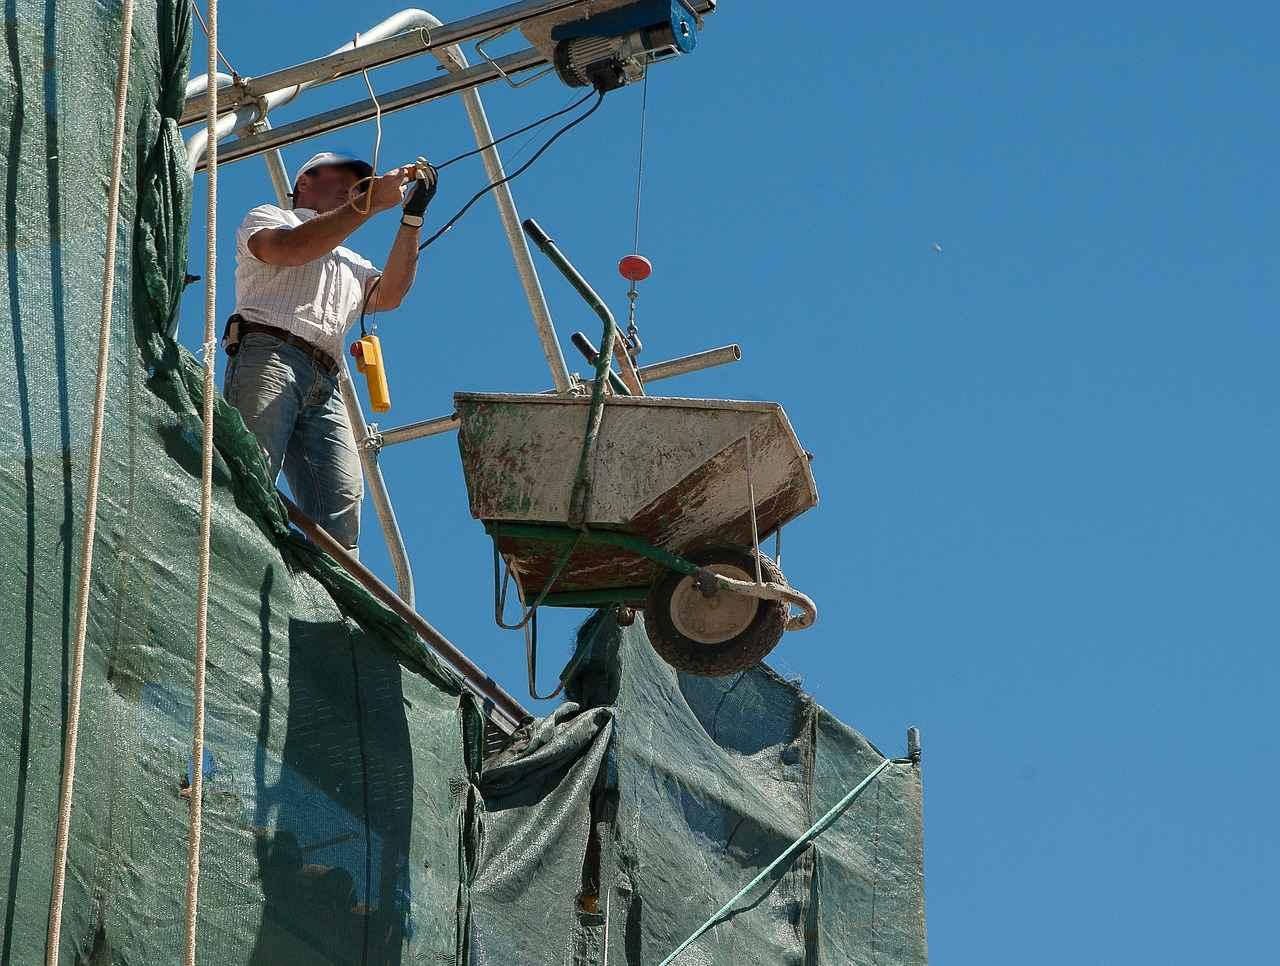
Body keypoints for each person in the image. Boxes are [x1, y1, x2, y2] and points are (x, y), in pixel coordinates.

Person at [223, 151, 436, 554]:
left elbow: (390, 294)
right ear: (305, 181)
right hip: (270, 356)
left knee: (341, 508)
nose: (352, 188)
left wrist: (411, 219)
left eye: (359, 183)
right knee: (252, 471)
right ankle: (236, 563)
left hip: (325, 378)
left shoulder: (350, 260)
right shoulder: (269, 217)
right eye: (344, 177)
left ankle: (328, 604)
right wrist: (369, 203)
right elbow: (292, 249)